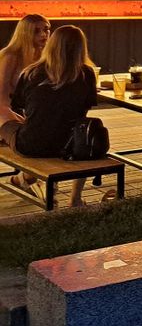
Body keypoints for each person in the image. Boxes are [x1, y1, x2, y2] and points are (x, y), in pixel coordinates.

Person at [0, 26, 97, 206]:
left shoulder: (32, 72)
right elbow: (84, 109)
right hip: (70, 144)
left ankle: (23, 178)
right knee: (84, 137)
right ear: (80, 47)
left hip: (31, 144)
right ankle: (74, 199)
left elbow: (18, 106)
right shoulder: (87, 73)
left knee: (2, 116)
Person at [0, 14, 51, 124]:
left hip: (32, 113)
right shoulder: (11, 56)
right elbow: (2, 101)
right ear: (24, 33)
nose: (43, 35)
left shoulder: (46, 57)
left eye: (46, 30)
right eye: (36, 31)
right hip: (7, 113)